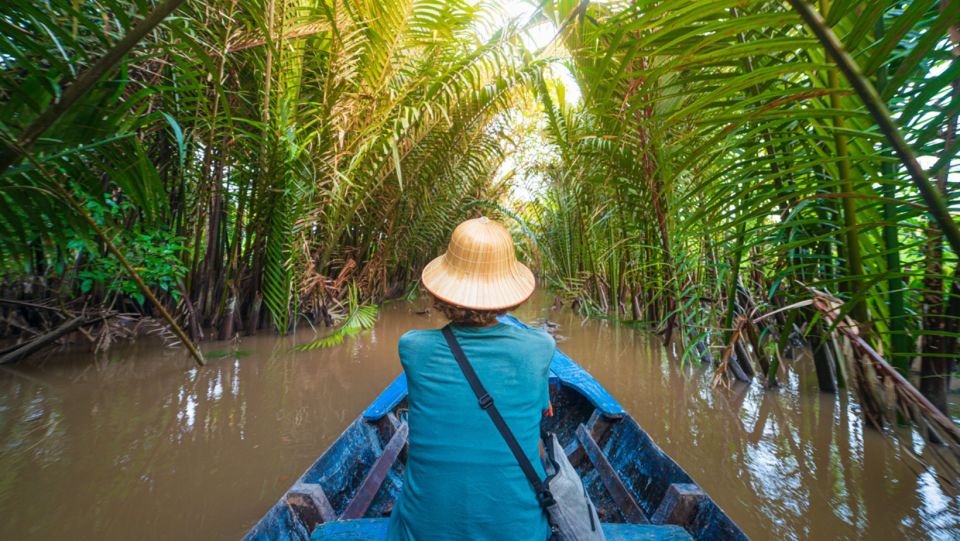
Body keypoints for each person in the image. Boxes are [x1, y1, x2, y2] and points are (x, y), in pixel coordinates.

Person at [386, 217, 556, 541]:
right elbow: (539, 420)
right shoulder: (539, 348)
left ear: (443, 291)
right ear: (509, 294)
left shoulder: (412, 348)